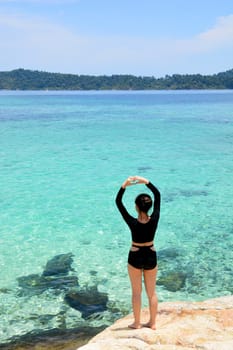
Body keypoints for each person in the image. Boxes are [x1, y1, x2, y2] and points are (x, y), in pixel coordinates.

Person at [115, 175, 161, 330]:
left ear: (136, 206)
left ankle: (137, 323)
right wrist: (145, 181)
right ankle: (153, 323)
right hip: (150, 254)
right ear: (149, 207)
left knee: (136, 292)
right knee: (151, 292)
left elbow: (118, 203)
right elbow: (158, 195)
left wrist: (125, 185)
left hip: (135, 255)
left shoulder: (132, 222)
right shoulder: (154, 219)